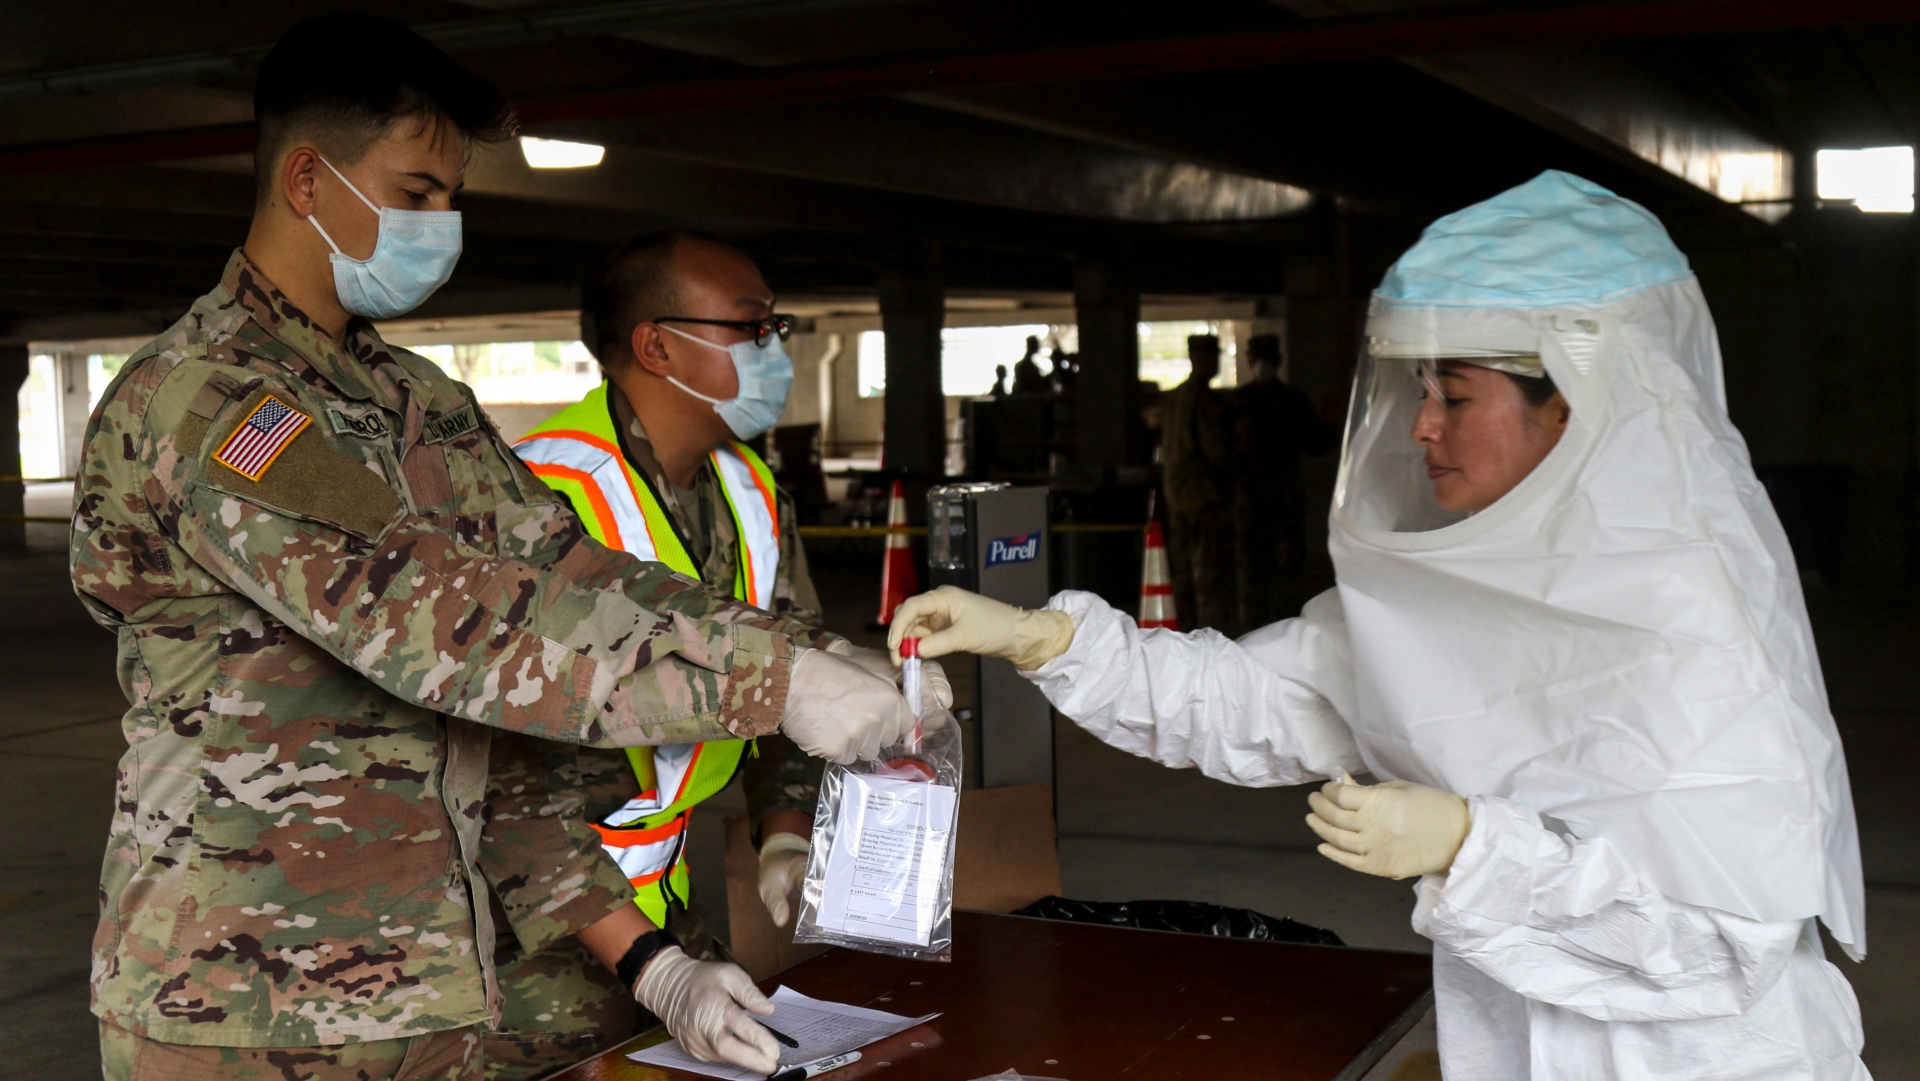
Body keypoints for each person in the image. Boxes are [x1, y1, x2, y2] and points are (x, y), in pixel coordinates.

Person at [72, 15, 919, 1081]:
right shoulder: (213, 402)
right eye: (417, 194)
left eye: (452, 197)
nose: (443, 223)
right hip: (243, 1011)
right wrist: (766, 679)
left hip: (434, 1000)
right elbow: (431, 617)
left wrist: (654, 959)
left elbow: (561, 589)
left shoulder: (419, 405)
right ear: (306, 180)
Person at [888, 172, 1868, 1080]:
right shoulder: (1459, 585)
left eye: (1456, 395)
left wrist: (1471, 847)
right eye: (1418, 391)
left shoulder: (1696, 618)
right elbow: (1264, 700)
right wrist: (1044, 641)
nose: (1420, 427)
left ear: (1573, 402)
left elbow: (1721, 946)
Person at [498, 231, 945, 1080]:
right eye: (752, 329)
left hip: (662, 909)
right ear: (657, 345)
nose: (775, 350)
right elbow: (499, 787)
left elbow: (790, 679)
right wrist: (655, 968)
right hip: (529, 947)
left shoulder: (749, 493)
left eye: (778, 327)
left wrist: (781, 836)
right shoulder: (539, 498)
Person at [1232, 333, 1336, 626]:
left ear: (1278, 361)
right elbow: (1222, 453)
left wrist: (1328, 422)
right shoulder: (1238, 402)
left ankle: (1285, 629)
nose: (1262, 364)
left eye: (1267, 358)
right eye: (1257, 358)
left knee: (1287, 572)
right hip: (1249, 503)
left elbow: (1315, 444)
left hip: (1284, 502)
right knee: (1251, 573)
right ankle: (1253, 630)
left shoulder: (1292, 399)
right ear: (1250, 361)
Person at [1161, 334, 1236, 633]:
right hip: (1204, 500)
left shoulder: (1173, 397)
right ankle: (1210, 639)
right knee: (1210, 579)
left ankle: (1185, 636)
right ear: (1202, 359)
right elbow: (1216, 451)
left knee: (1182, 578)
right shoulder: (1205, 400)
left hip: (1177, 497)